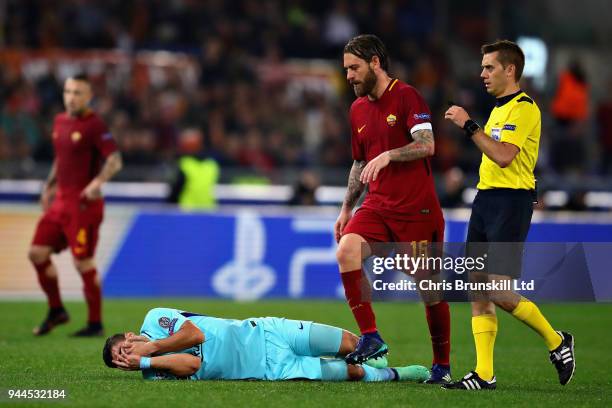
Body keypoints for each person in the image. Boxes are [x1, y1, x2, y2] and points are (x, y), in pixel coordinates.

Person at [444, 40, 575, 390]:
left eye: (489, 67)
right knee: (477, 288)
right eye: (483, 67)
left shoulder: (524, 107)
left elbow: (503, 156)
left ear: (510, 70)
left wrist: (470, 125)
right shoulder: (499, 109)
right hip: (485, 200)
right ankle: (484, 374)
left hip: (510, 203)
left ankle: (557, 340)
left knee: (498, 291)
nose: (482, 73)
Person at [335, 34, 451, 384]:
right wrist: (346, 208)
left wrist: (388, 155)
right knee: (347, 250)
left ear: (375, 62)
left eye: (354, 68)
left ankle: (442, 366)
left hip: (417, 212)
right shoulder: (357, 110)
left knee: (429, 291)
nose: (349, 76)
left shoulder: (407, 96)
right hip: (378, 206)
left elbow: (427, 145)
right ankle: (371, 335)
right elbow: (359, 163)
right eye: (345, 70)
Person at [28, 74, 122, 337]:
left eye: (78, 92)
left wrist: (97, 182)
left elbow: (115, 159)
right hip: (60, 203)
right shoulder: (59, 122)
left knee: (83, 263)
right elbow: (61, 158)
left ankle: (95, 323)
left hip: (83, 206)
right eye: (68, 91)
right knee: (37, 253)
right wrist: (49, 185)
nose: (71, 97)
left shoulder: (94, 125)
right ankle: (57, 310)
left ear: (89, 96)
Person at [102, 307, 430, 383]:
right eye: (122, 361)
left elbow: (195, 335)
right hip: (270, 369)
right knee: (354, 374)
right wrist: (146, 362)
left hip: (267, 332)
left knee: (348, 342)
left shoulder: (154, 319)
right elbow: (193, 365)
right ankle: (397, 374)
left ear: (130, 337)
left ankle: (369, 356)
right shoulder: (152, 374)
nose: (126, 358)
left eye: (123, 351)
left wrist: (153, 347)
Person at [167, 127, 219, 210]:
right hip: (209, 212)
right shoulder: (211, 164)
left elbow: (175, 192)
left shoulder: (184, 164)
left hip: (187, 213)